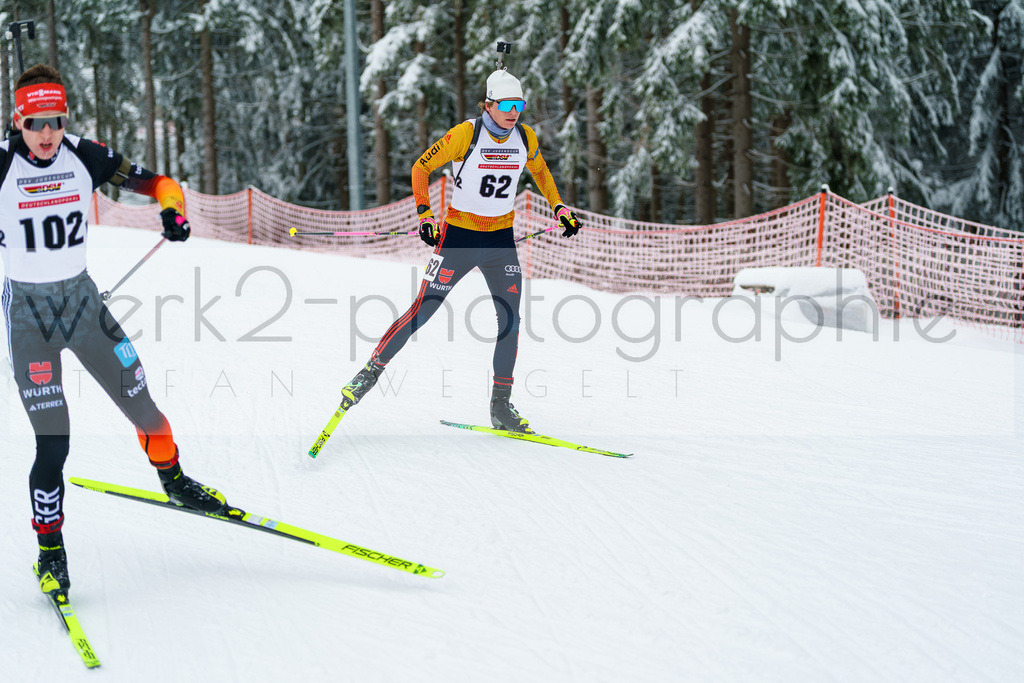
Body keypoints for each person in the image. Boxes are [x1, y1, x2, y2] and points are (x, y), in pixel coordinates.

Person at [0, 64, 226, 596]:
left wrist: (173, 211)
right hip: (28, 318)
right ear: (18, 121)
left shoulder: (85, 154)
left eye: (55, 121)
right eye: (35, 123)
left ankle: (174, 482)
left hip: (81, 304)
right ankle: (50, 551)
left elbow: (161, 183)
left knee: (142, 402)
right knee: (54, 442)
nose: (47, 134)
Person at [339, 67, 581, 433]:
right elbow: (421, 167)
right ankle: (368, 373)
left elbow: (542, 173)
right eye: (506, 105)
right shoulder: (466, 134)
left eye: (520, 104)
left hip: (501, 242)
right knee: (424, 311)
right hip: (458, 239)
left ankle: (501, 406)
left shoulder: (526, 138)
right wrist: (425, 213)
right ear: (488, 105)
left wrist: (559, 206)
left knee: (510, 322)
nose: (514, 112)